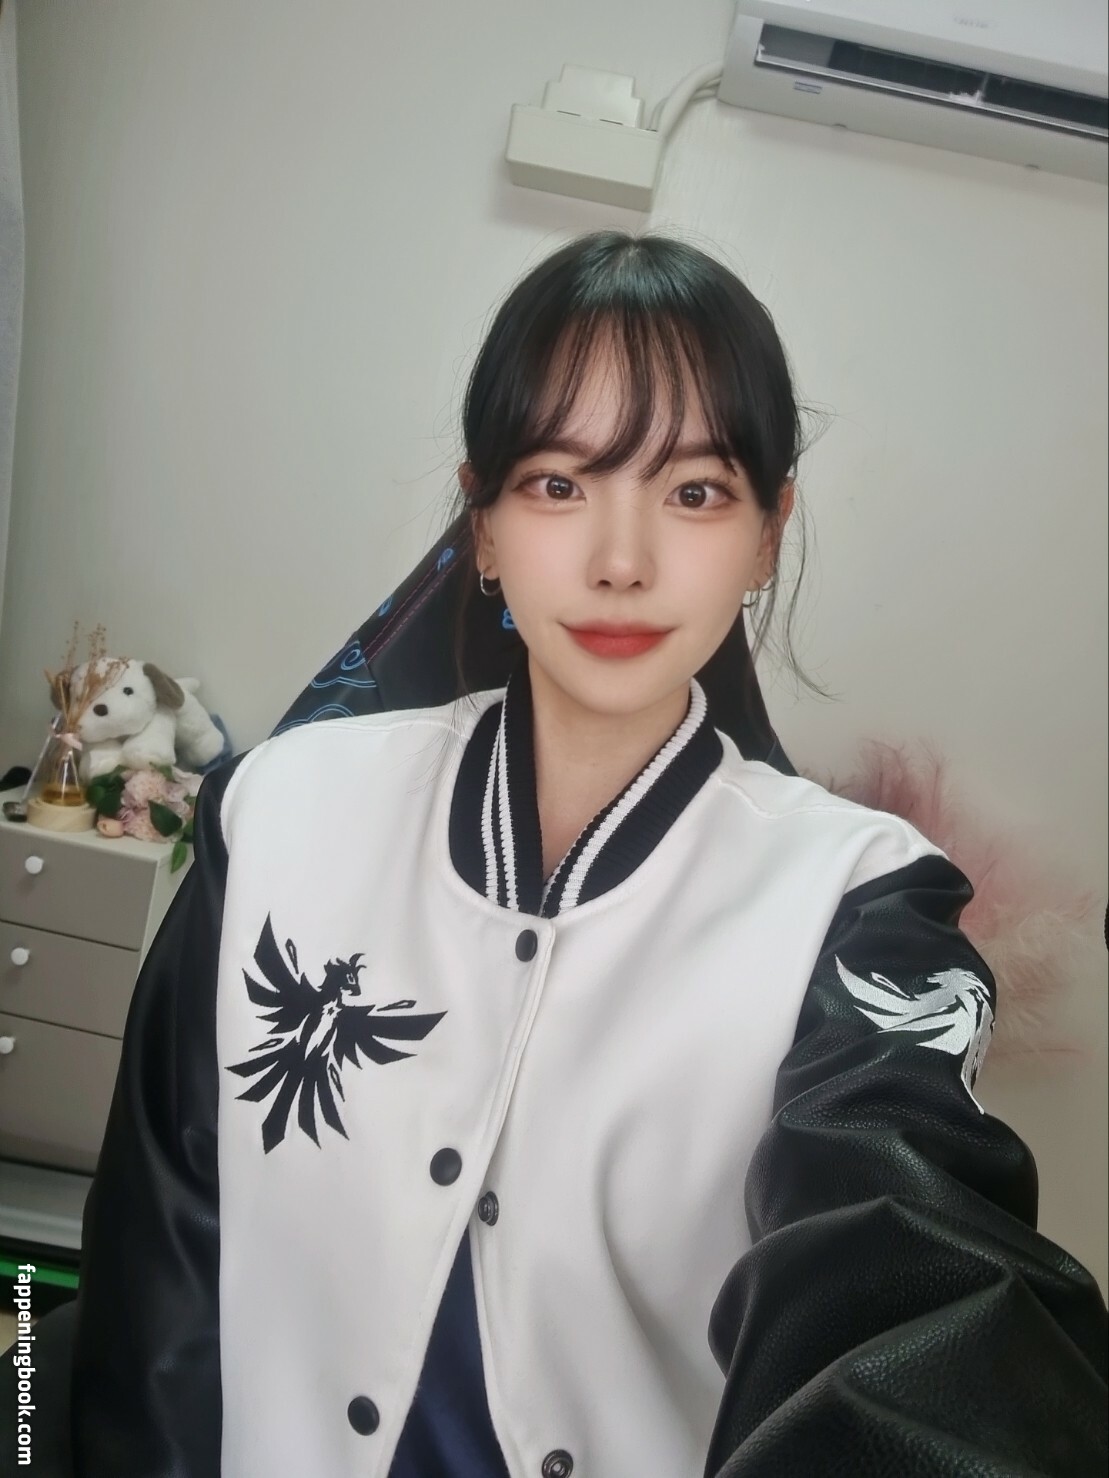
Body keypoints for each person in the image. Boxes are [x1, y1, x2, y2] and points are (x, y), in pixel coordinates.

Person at [69, 230, 1108, 1477]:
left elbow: (920, 1263)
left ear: (768, 531)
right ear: (484, 522)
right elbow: (159, 1273)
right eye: (559, 484)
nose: (621, 561)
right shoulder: (279, 811)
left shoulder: (860, 901)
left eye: (694, 492)